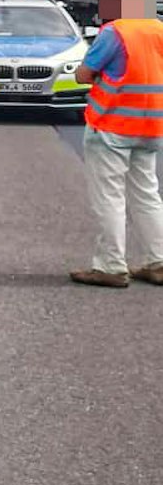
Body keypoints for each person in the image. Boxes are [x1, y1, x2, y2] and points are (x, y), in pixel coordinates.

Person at [70, 15, 163, 288]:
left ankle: (110, 266)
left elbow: (83, 75)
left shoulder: (114, 33)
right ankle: (158, 262)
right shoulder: (159, 29)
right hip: (152, 124)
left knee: (110, 197)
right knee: (147, 194)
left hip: (111, 125)